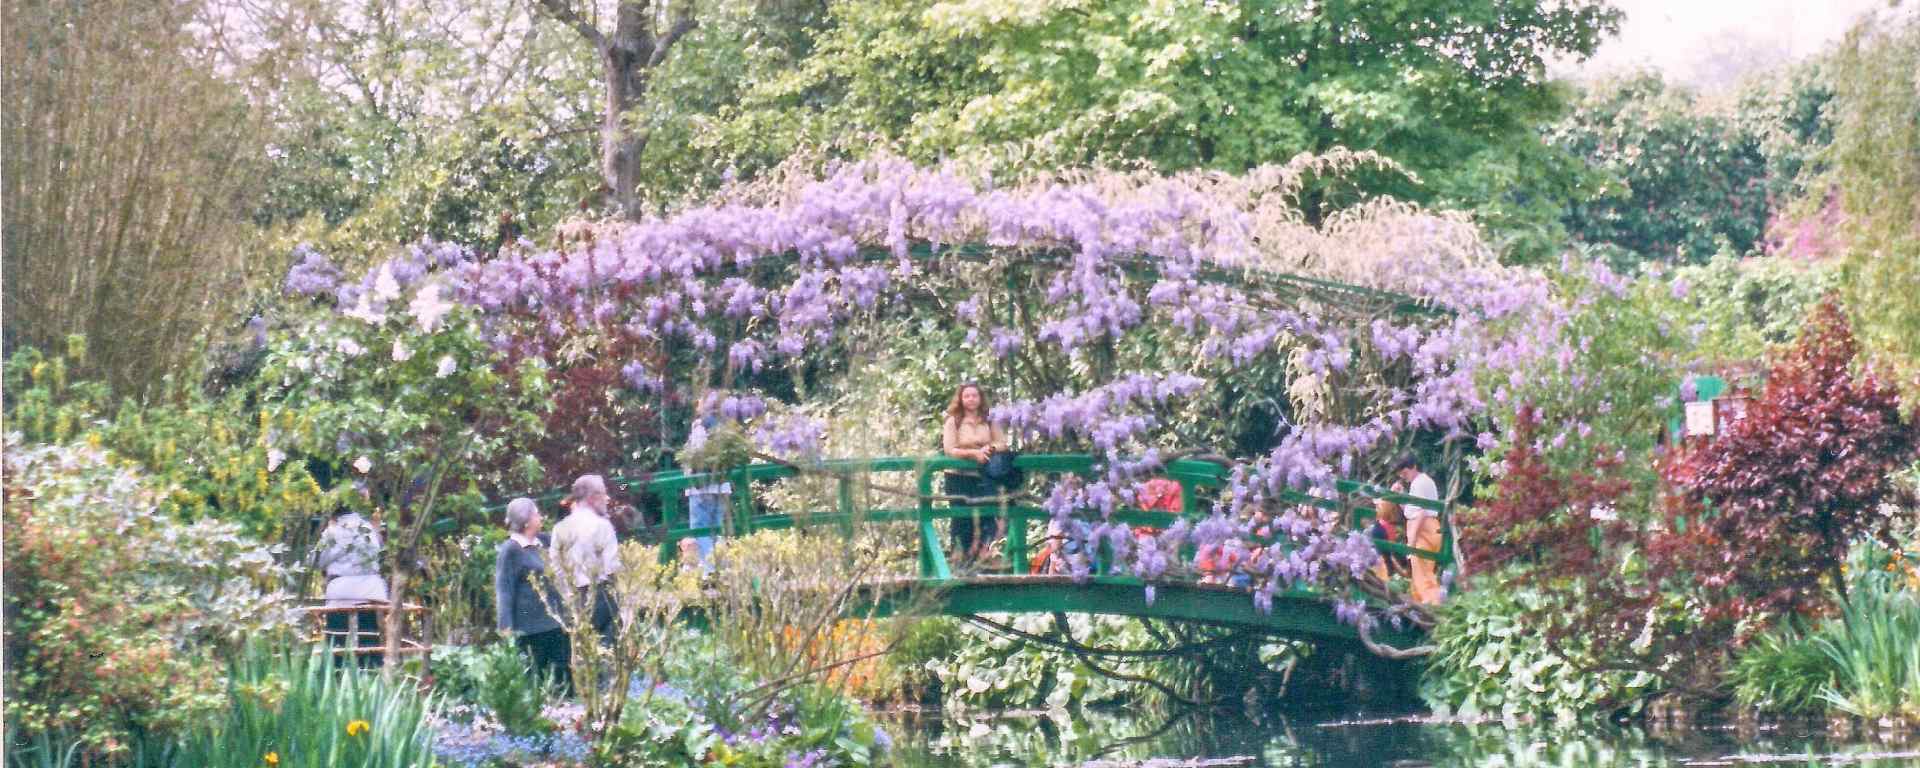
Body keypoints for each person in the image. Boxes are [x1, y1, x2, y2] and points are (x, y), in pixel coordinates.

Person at [494, 498, 571, 692]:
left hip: (556, 625)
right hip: (530, 631)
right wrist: (505, 627)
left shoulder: (544, 542)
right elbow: (504, 590)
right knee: (536, 685)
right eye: (536, 513)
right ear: (527, 521)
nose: (541, 517)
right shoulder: (510, 550)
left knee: (564, 683)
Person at [311, 503, 388, 665]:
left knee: (337, 636)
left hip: (342, 591)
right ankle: (370, 672)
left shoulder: (333, 531)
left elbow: (316, 561)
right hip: (370, 591)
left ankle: (336, 673)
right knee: (368, 636)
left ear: (333, 515)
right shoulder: (368, 528)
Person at [941, 382, 1007, 566]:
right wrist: (974, 454)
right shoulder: (953, 421)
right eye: (967, 396)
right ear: (961, 399)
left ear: (980, 398)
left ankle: (983, 560)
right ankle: (959, 561)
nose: (971, 399)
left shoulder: (989, 420)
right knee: (962, 519)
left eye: (974, 396)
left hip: (982, 476)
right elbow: (950, 450)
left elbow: (1002, 443)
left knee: (985, 517)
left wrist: (990, 448)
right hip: (957, 477)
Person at [552, 474, 621, 638]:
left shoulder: (560, 528)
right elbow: (612, 567)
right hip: (601, 596)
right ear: (593, 497)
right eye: (604, 493)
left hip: (573, 598)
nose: (607, 498)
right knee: (608, 652)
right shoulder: (603, 526)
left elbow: (555, 567)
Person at [1393, 453, 1445, 605]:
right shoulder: (1422, 482)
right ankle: (1422, 603)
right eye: (1401, 475)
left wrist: (1412, 541)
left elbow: (1421, 514)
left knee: (1423, 574)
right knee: (1421, 572)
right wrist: (1400, 496)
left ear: (1414, 467)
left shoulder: (1419, 483)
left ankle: (1432, 604)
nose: (1404, 477)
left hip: (1424, 530)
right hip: (1429, 528)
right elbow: (1411, 512)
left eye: (1405, 473)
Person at [685, 416, 731, 571]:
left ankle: (711, 569)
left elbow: (695, 456)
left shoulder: (700, 427)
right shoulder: (725, 424)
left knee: (701, 529)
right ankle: (722, 567)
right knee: (717, 528)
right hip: (721, 486)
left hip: (701, 488)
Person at [1368, 498, 1411, 584]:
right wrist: (1403, 573)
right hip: (1382, 567)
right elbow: (1388, 554)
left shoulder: (1387, 525)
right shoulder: (1379, 529)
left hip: (1387, 564)